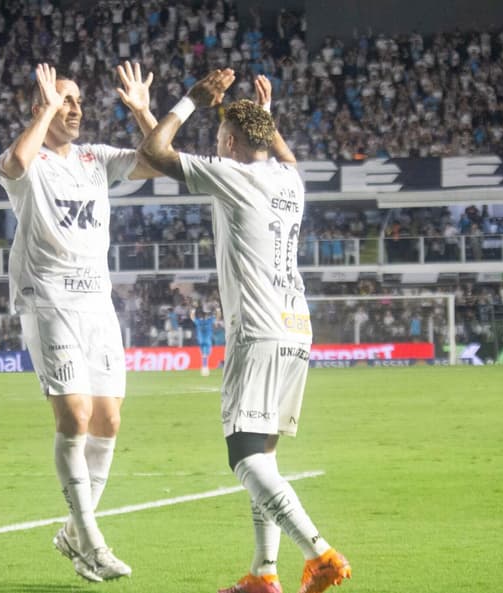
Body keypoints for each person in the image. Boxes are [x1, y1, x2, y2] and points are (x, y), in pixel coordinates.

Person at [138, 73, 352, 593]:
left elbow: (156, 151)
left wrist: (189, 100)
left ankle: (319, 553)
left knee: (245, 455)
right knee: (265, 454)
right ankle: (263, 574)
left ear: (231, 145)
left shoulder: (234, 176)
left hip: (256, 331)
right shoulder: (288, 180)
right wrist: (265, 117)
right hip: (296, 327)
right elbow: (285, 156)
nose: (215, 149)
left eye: (218, 141)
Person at [0, 61, 160, 582]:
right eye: (65, 100)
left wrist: (141, 111)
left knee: (108, 420)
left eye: (80, 101)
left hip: (97, 306)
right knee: (76, 416)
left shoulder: (95, 157)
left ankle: (72, 532)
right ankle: (91, 539)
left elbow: (160, 160)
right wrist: (44, 111)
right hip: (49, 302)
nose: (76, 108)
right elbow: (18, 162)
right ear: (42, 107)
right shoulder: (26, 160)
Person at [191, 306, 216, 376]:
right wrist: (218, 310)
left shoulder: (198, 321)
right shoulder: (209, 321)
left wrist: (193, 310)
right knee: (206, 355)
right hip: (207, 341)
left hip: (200, 340)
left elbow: (192, 317)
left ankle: (204, 367)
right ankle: (205, 368)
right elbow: (218, 317)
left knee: (204, 355)